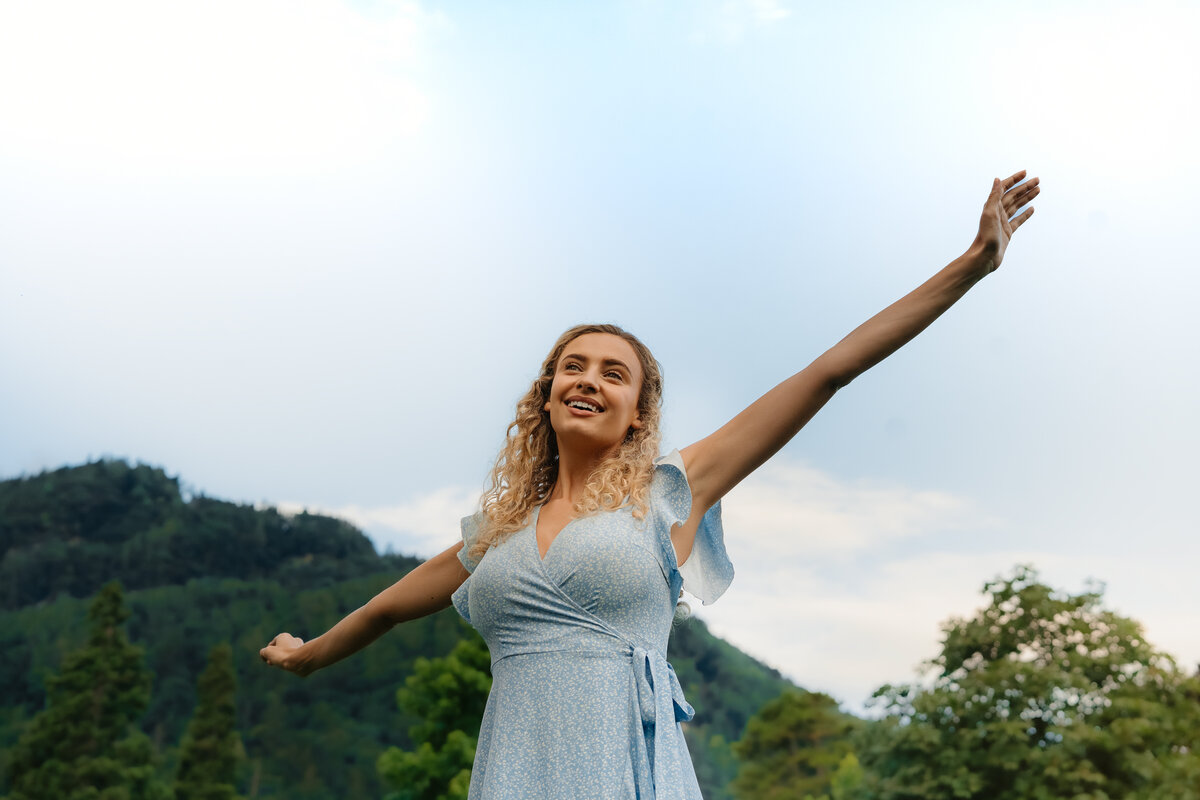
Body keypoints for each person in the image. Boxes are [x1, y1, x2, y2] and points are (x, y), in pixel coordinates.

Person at [261, 172, 1040, 798]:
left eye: (614, 373)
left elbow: (828, 372)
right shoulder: (494, 533)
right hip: (514, 775)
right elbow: (385, 609)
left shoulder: (670, 489)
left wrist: (969, 266)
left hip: (629, 771)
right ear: (546, 394)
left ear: (638, 413)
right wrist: (309, 655)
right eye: (574, 366)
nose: (589, 380)